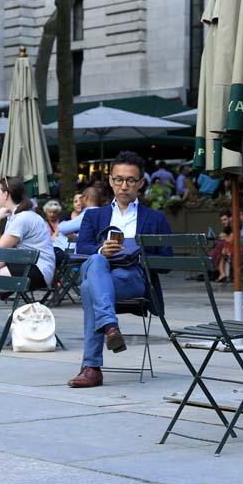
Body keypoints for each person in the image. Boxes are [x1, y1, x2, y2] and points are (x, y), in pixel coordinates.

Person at [68, 151, 172, 388]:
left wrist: (138, 252)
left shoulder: (154, 218)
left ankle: (92, 368)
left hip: (133, 278)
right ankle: (110, 327)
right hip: (101, 273)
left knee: (88, 288)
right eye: (118, 179)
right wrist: (102, 250)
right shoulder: (94, 215)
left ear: (141, 183)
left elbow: (166, 260)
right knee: (94, 266)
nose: (124, 186)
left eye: (130, 180)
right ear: (110, 181)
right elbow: (82, 248)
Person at [0, 177, 55, 350]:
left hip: (37, 269)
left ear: (6, 194)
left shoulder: (22, 218)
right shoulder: (17, 217)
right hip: (23, 264)